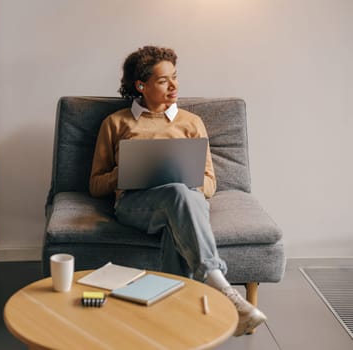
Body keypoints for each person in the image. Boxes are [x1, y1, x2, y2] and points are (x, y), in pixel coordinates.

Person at [89, 45, 267, 336]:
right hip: (136, 205)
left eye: (175, 77)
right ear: (141, 85)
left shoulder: (191, 122)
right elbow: (95, 185)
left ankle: (173, 323)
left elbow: (210, 183)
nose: (174, 86)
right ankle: (222, 288)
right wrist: (128, 173)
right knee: (178, 196)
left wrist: (188, 182)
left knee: (180, 204)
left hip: (186, 203)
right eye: (163, 80)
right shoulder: (116, 123)